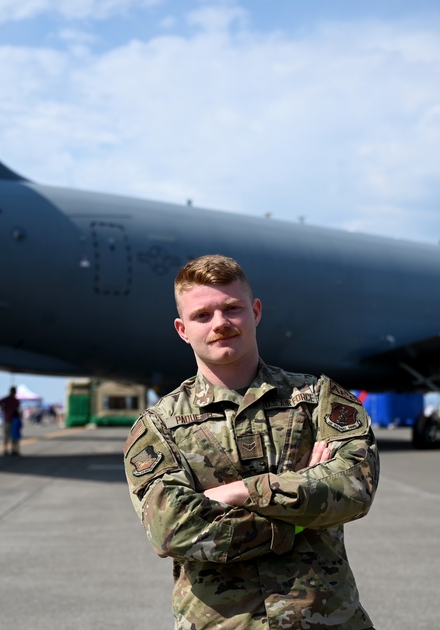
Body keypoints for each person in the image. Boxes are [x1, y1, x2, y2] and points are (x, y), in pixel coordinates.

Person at [124, 254, 379, 629]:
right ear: (182, 328)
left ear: (255, 311)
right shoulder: (158, 426)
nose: (221, 323)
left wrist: (238, 492)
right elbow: (172, 529)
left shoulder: (317, 398)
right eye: (202, 315)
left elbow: (354, 489)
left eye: (232, 308)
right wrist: (297, 513)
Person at [0, 387, 22, 457]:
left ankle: (14, 450)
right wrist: (3, 409)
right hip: (8, 420)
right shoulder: (7, 399)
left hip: (14, 420)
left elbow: (17, 409)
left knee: (14, 436)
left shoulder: (16, 401)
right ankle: (6, 450)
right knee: (7, 436)